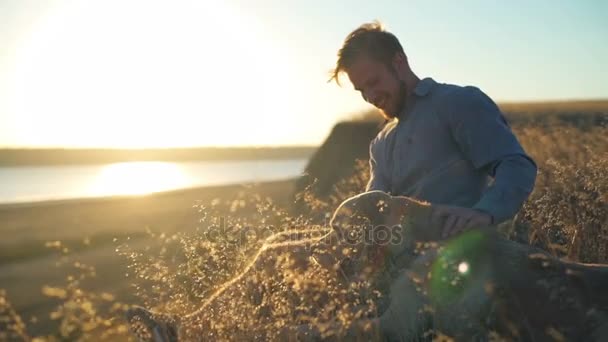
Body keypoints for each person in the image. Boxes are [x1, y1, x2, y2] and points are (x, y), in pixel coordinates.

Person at [329, 21, 537, 239]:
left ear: (399, 63)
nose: (370, 97)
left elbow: (515, 164)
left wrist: (484, 212)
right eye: (362, 90)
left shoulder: (457, 103)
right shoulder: (380, 142)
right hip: (400, 259)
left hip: (462, 253)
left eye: (374, 82)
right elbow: (371, 211)